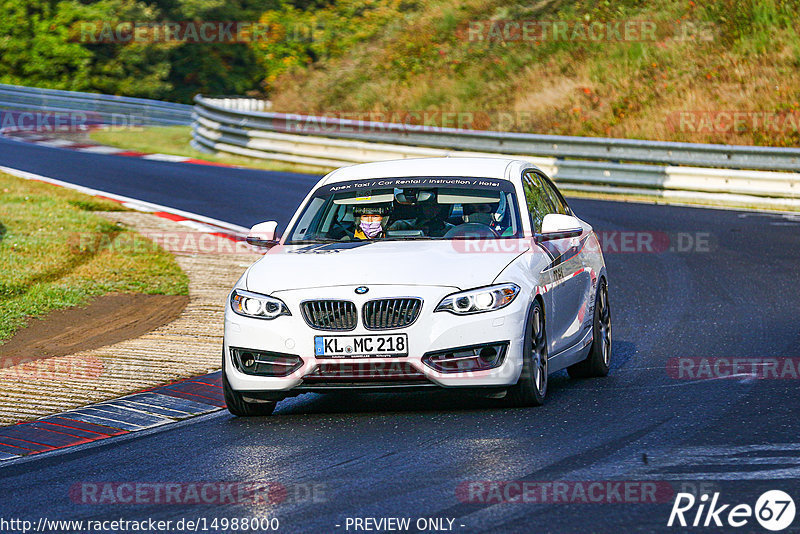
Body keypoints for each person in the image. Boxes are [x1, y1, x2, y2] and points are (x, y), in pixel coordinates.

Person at [389, 194, 454, 237]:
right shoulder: (400, 226)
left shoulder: (450, 230)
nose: (431, 209)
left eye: (435, 206)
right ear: (420, 207)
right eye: (427, 206)